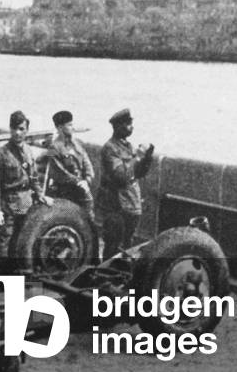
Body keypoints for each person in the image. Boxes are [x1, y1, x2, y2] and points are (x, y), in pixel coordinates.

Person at [0, 111, 50, 291]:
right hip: (8, 208)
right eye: (14, 128)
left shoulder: (29, 151)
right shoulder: (0, 154)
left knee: (22, 247)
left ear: (27, 130)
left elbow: (34, 178)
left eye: (21, 129)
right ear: (10, 129)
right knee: (4, 250)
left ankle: (16, 287)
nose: (17, 133)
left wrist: (40, 194)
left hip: (26, 206)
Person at [97, 108, 155, 260]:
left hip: (130, 204)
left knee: (128, 247)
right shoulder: (109, 148)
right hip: (116, 206)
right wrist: (137, 158)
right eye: (128, 124)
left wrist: (147, 159)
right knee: (113, 247)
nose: (131, 127)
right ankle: (106, 278)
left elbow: (138, 174)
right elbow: (121, 176)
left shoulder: (128, 146)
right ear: (118, 127)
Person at [43, 110, 95, 220]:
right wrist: (78, 181)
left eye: (72, 124)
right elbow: (58, 172)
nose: (73, 127)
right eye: (69, 125)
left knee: (89, 219)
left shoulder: (78, 144)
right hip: (65, 192)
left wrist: (87, 179)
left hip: (82, 189)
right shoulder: (53, 148)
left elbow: (87, 163)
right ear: (60, 128)